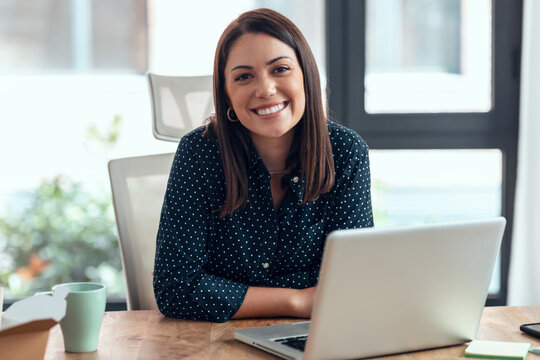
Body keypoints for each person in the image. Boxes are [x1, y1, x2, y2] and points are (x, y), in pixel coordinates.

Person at [153, 8, 373, 323]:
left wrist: (226, 292)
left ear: (305, 76)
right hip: (210, 341)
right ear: (227, 94)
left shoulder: (345, 152)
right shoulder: (199, 153)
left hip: (319, 337)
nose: (265, 89)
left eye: (280, 69)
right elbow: (175, 289)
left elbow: (351, 281)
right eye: (244, 76)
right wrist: (298, 300)